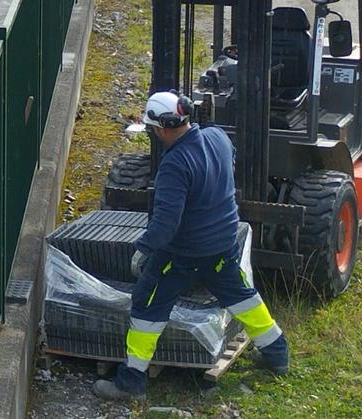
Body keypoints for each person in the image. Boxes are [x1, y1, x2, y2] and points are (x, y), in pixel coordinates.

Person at [92, 91, 290, 401]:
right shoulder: (218, 137)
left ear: (160, 128)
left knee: (148, 302)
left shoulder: (174, 164)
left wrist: (144, 248)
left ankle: (130, 383)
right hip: (224, 245)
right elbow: (228, 163)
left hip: (184, 254)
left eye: (152, 129)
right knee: (242, 297)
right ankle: (277, 352)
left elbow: (166, 223)